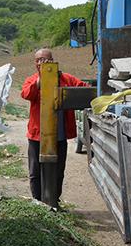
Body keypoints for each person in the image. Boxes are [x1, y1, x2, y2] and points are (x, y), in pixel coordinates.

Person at [20, 48, 88, 203]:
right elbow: (26, 94)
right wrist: (40, 81)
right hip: (37, 136)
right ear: (35, 63)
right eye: (38, 60)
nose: (42, 63)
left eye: (45, 59)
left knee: (58, 171)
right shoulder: (32, 80)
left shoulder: (66, 79)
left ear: (53, 60)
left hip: (59, 136)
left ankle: (54, 202)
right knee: (35, 171)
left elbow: (83, 89)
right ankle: (37, 201)